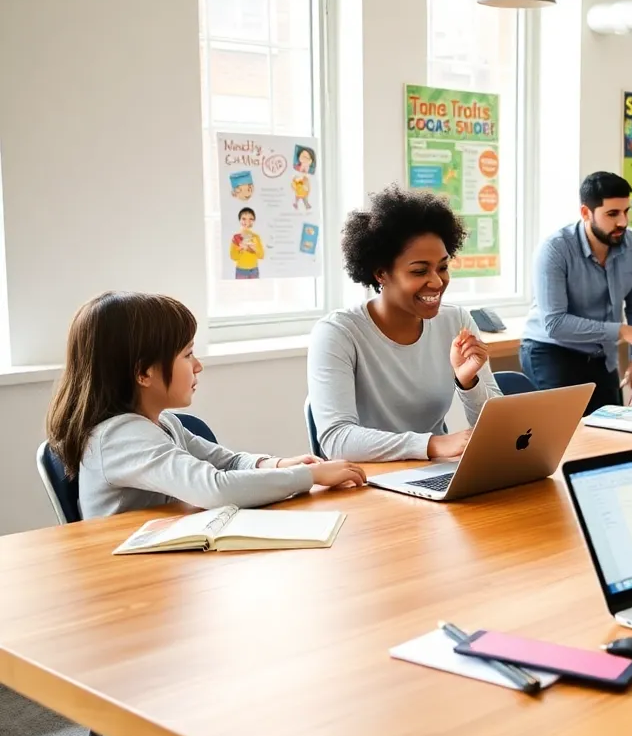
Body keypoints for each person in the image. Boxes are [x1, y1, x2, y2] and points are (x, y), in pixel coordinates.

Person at [45, 292, 366, 520]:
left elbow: (228, 462)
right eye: (187, 354)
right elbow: (214, 488)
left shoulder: (164, 422)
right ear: (144, 372)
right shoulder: (119, 438)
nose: (197, 366)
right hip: (125, 584)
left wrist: (280, 464)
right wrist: (309, 477)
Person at [307, 185, 502, 463]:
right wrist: (432, 445)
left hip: (434, 473)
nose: (436, 282)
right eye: (419, 271)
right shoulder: (338, 334)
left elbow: (497, 426)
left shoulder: (456, 321)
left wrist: (468, 381)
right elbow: (337, 439)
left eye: (443, 267)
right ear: (381, 273)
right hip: (366, 481)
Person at [520, 171, 632, 414]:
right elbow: (555, 323)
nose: (623, 221)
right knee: (567, 437)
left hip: (601, 353)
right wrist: (621, 330)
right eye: (612, 214)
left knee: (614, 433)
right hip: (551, 350)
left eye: (626, 211)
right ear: (585, 213)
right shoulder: (554, 250)